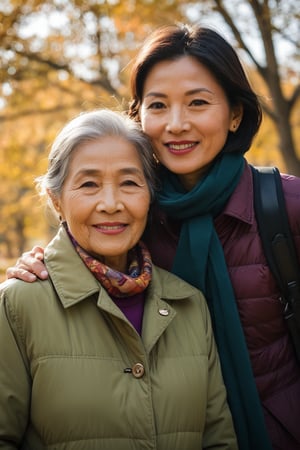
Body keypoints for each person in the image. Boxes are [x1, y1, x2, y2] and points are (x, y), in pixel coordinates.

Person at [6, 24, 300, 450]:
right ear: (139, 114)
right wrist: (41, 264)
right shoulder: (133, 214)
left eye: (198, 103)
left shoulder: (286, 206)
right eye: (158, 105)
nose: (176, 124)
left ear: (235, 113)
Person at [0, 109, 238, 449]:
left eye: (129, 182)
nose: (111, 204)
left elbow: (218, 438)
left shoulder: (188, 304)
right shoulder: (16, 306)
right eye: (89, 184)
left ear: (149, 195)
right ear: (56, 200)